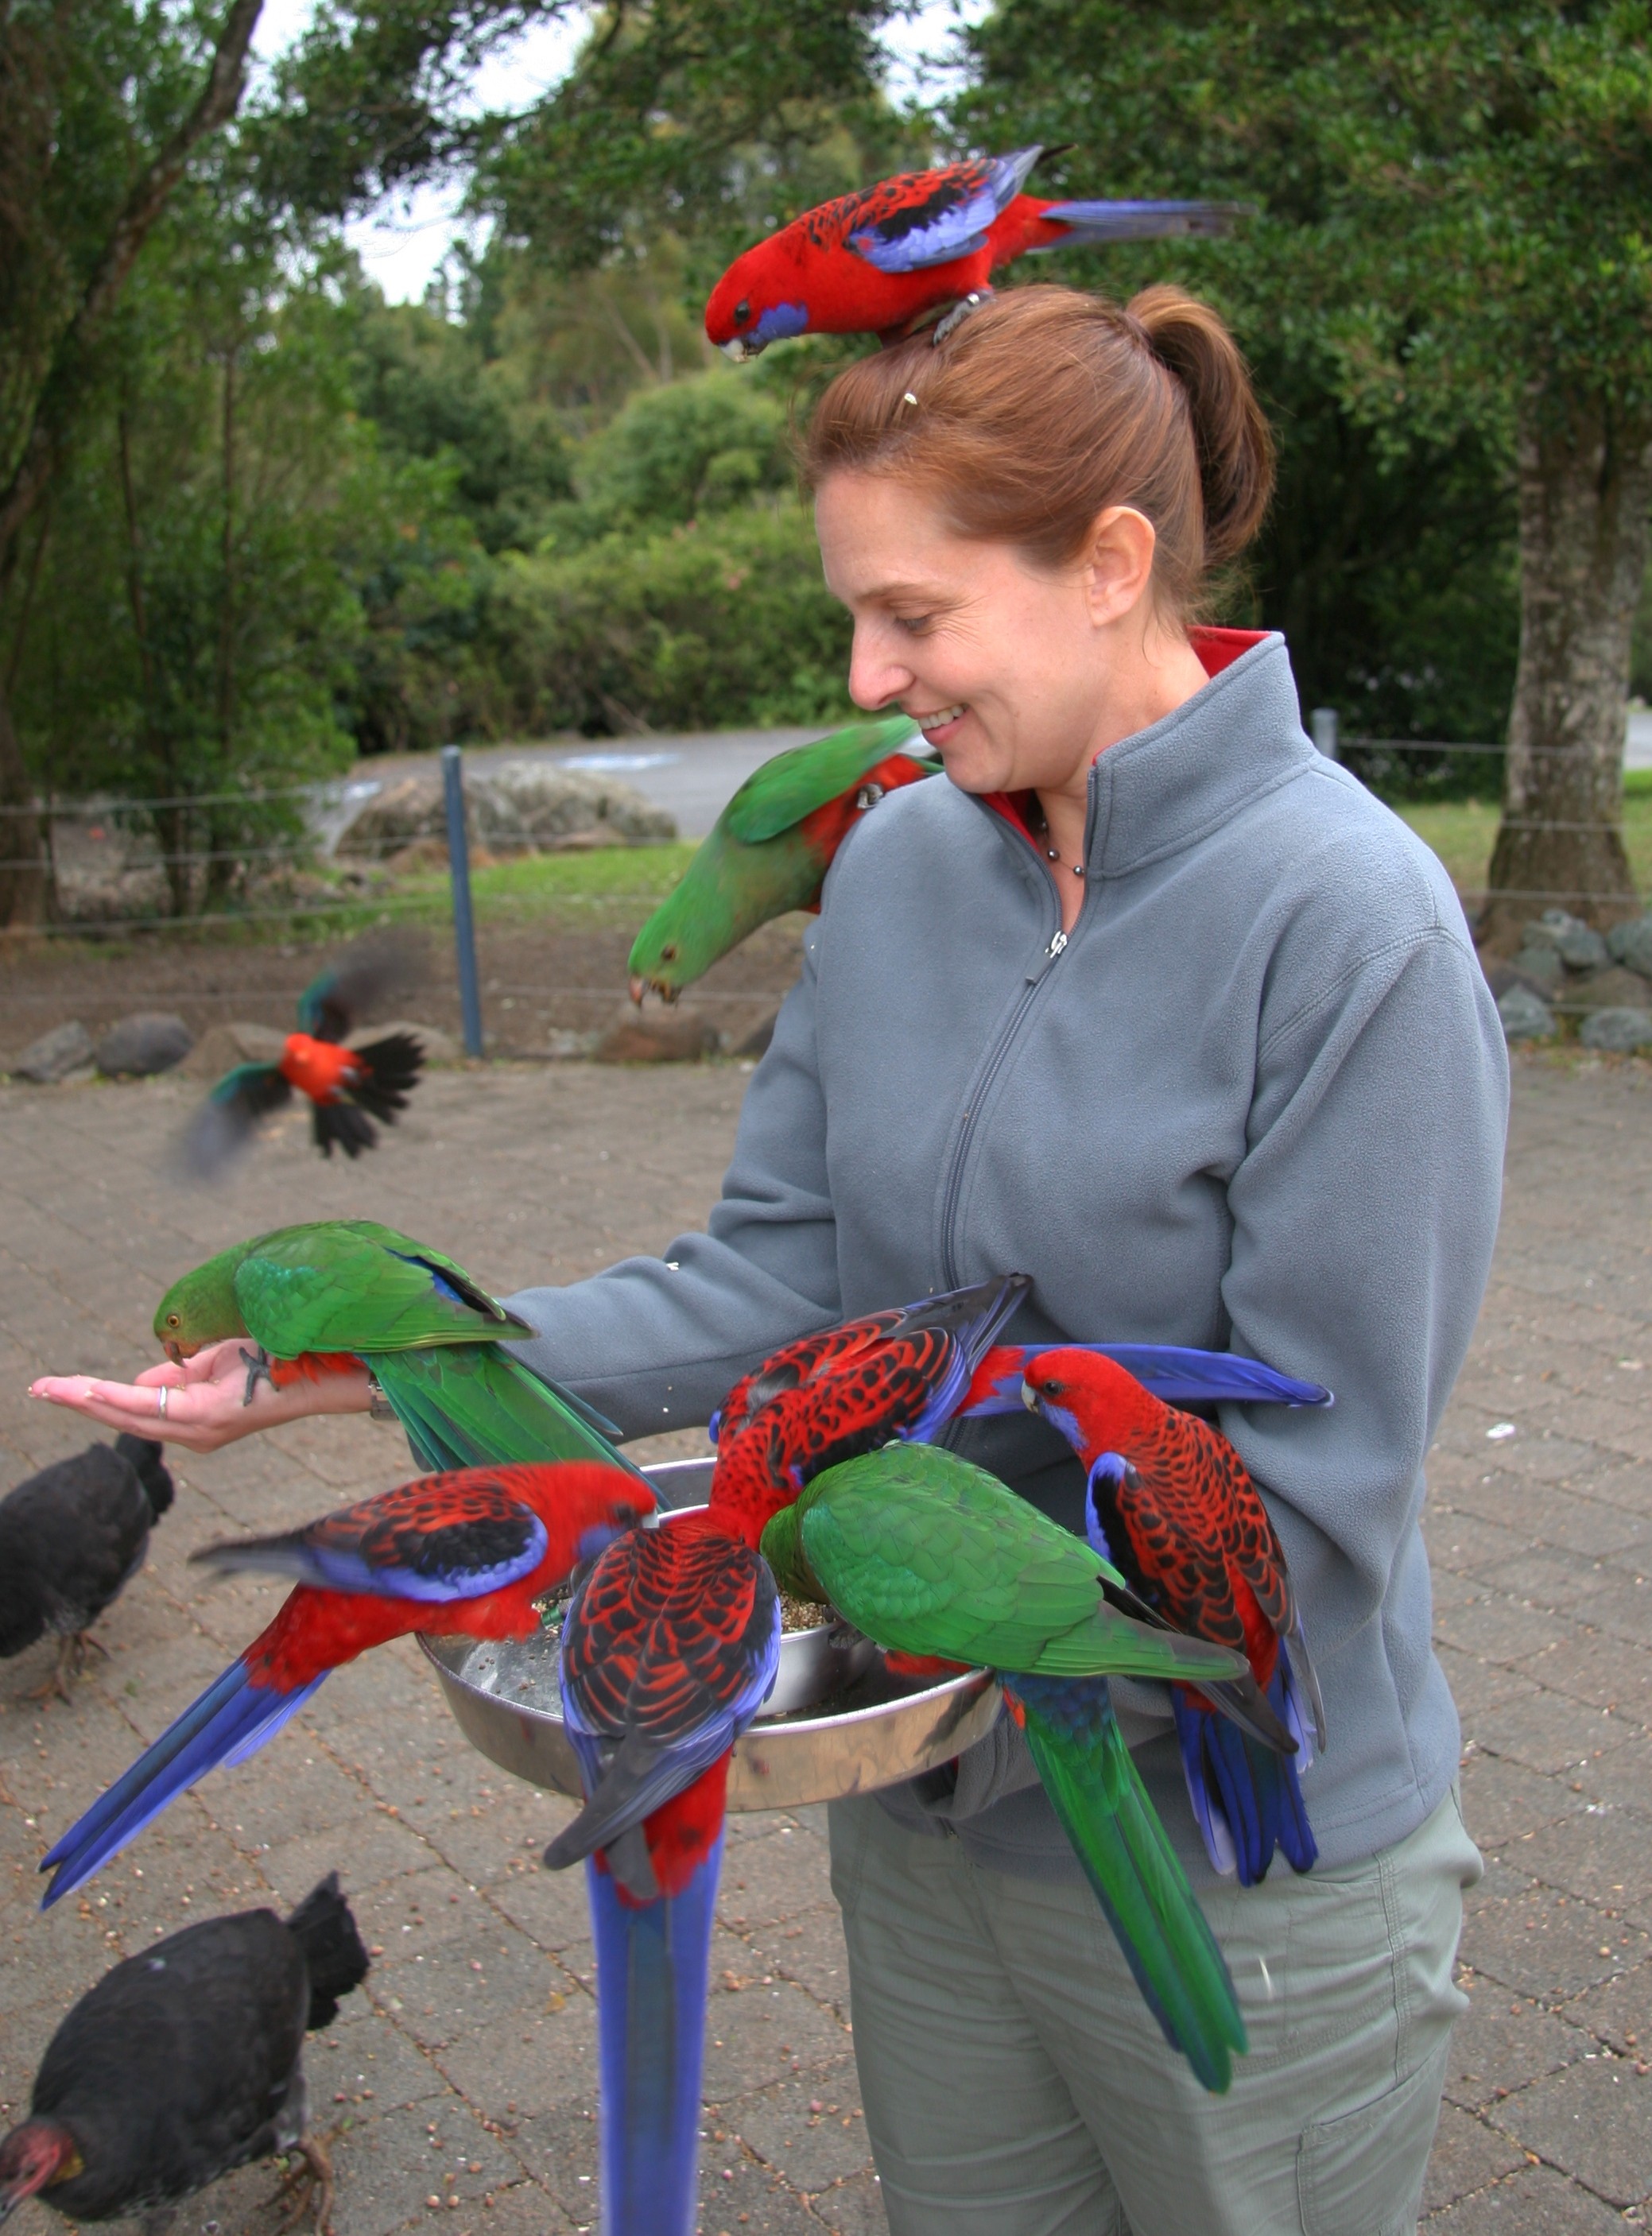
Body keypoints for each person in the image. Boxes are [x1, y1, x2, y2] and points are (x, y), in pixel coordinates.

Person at [38, 283, 1507, 2235]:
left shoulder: (1352, 930)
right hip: (930, 1853)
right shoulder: (900, 868)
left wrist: (867, 1583)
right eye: (851, 610)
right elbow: (768, 1284)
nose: (865, 667)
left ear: (1109, 566)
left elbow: (1314, 1506)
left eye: (912, 613)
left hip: (1246, 1859)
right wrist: (380, 1364)